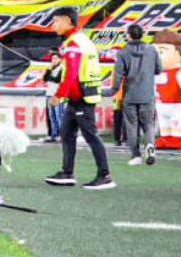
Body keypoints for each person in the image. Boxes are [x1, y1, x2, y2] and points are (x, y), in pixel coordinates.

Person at [42, 11, 115, 189]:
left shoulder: (74, 42)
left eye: (55, 21)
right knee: (66, 133)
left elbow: (72, 72)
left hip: (82, 96)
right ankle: (67, 173)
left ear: (67, 20)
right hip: (78, 97)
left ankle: (104, 175)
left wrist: (58, 95)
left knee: (90, 135)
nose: (53, 26)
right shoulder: (78, 40)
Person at [111, 24, 163, 165]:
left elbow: (118, 75)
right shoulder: (151, 50)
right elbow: (159, 69)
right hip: (147, 94)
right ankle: (150, 145)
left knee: (131, 125)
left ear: (128, 35)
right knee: (148, 124)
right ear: (142, 34)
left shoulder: (123, 52)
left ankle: (135, 155)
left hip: (130, 95)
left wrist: (113, 90)